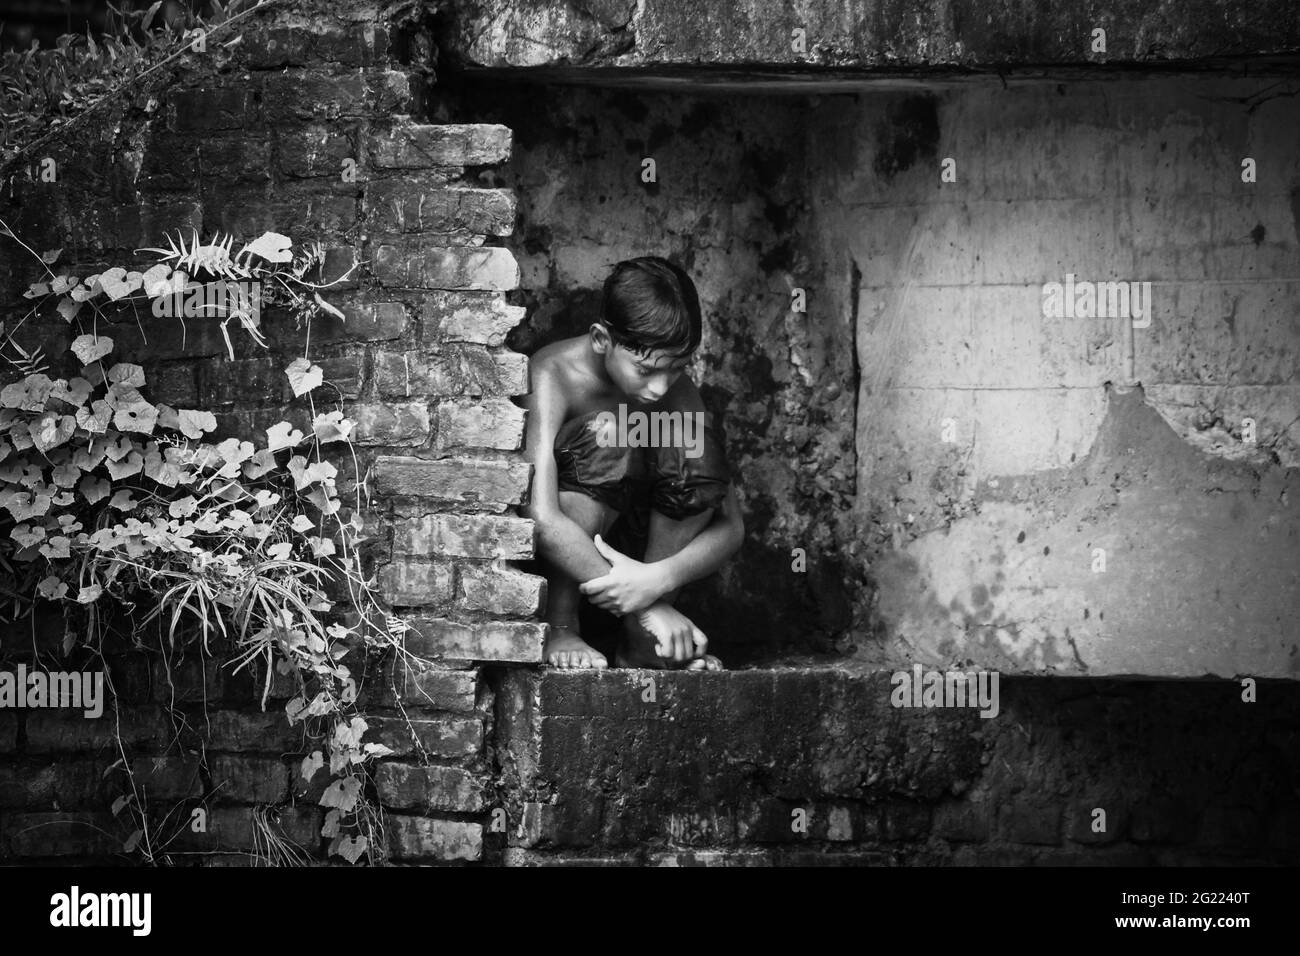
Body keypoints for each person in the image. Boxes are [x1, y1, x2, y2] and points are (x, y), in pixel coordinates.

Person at [519, 256, 744, 670]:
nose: (660, 387)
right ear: (602, 339)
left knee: (694, 454)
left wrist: (656, 583)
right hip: (570, 558)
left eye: (676, 369)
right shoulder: (554, 375)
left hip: (640, 559)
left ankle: (639, 645)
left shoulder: (675, 394)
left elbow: (730, 526)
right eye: (644, 370)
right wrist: (646, 607)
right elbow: (542, 517)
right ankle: (562, 628)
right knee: (611, 432)